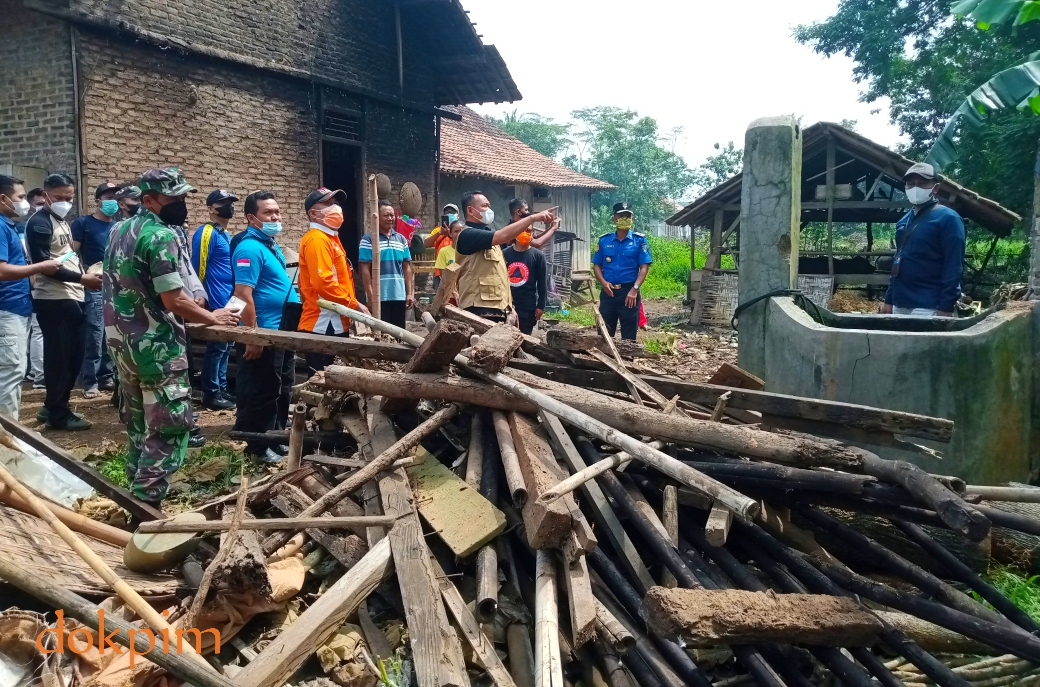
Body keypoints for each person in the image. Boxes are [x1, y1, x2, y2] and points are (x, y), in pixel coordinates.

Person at [104, 167, 239, 508]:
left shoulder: (119, 230)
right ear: (148, 200)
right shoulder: (161, 235)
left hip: (123, 343)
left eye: (183, 196)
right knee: (169, 425)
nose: (180, 203)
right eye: (173, 198)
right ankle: (146, 505)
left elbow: (137, 281)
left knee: (137, 423)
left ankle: (131, 492)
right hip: (156, 346)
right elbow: (173, 300)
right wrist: (212, 317)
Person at [26, 174, 101, 430]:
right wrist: (83, 279)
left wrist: (86, 274)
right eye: (60, 197)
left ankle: (52, 405)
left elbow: (66, 257)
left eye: (69, 197)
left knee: (73, 355)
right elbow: (45, 266)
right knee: (61, 357)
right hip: (55, 299)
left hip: (72, 295)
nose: (66, 202)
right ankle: (58, 414)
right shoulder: (39, 223)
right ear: (46, 195)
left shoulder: (62, 221)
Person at [232, 191, 297, 463]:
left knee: (282, 386)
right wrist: (253, 335)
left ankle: (276, 437)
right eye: (268, 213)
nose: (276, 217)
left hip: (280, 330)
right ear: (251, 218)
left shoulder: (269, 245)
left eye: (277, 212)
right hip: (263, 330)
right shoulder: (249, 248)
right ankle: (257, 447)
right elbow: (243, 294)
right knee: (262, 388)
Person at [0, 176, 59, 417]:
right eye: (21, 197)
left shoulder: (8, 224)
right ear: (3, 198)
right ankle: (6, 440)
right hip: (7, 309)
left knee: (12, 371)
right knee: (11, 372)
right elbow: (2, 270)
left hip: (16, 308)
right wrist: (40, 267)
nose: (25, 203)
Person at [298, 187, 369, 375]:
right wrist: (354, 305)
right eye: (328, 204)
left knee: (334, 382)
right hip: (322, 324)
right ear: (313, 214)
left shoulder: (331, 239)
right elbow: (323, 283)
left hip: (334, 321)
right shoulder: (317, 240)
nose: (335, 207)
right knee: (322, 383)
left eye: (335, 203)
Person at [455, 191, 555, 323]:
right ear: (470, 210)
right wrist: (532, 218)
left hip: (498, 310)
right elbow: (503, 236)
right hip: (477, 309)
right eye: (485, 206)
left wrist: (510, 307)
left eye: (489, 206)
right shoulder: (467, 235)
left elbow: (500, 277)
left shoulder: (491, 238)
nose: (489, 210)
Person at [881, 162, 966, 317]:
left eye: (922, 183)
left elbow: (954, 266)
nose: (916, 188)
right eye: (911, 184)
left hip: (929, 305)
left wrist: (946, 307)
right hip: (900, 304)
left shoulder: (948, 219)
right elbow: (897, 261)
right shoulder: (903, 221)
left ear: (935, 188)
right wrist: (889, 299)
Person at [191, 189, 238, 410]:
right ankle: (210, 392)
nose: (228, 206)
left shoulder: (225, 235)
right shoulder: (206, 232)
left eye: (230, 202)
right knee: (217, 347)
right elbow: (197, 267)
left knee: (227, 346)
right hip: (217, 298)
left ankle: (221, 387)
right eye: (223, 203)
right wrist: (200, 296)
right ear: (211, 209)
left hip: (231, 299)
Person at [71, 182, 120, 399]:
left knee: (112, 332)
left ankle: (106, 376)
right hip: (95, 285)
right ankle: (89, 381)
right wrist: (81, 276)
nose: (113, 201)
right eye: (108, 196)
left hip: (116, 285)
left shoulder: (119, 226)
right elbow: (71, 254)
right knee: (95, 331)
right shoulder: (84, 223)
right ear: (98, 200)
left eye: (116, 197)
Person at [592, 201, 652, 341]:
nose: (624, 218)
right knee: (604, 334)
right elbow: (597, 266)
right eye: (620, 215)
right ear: (614, 219)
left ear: (632, 219)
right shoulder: (604, 240)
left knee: (629, 336)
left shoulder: (639, 241)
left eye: (627, 216)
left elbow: (644, 267)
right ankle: (604, 362)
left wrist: (635, 289)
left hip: (629, 293)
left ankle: (627, 361)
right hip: (608, 292)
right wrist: (603, 283)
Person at [359, 200, 413, 329]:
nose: (390, 218)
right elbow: (365, 270)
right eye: (386, 215)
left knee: (400, 333)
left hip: (399, 294)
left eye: (392, 215)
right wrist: (371, 296)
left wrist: (409, 293)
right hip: (379, 296)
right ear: (377, 217)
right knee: (382, 334)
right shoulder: (368, 239)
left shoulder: (401, 239)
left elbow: (407, 268)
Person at [17, 189, 46, 389]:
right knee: (37, 331)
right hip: (28, 285)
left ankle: (35, 372)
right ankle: (39, 375)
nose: (41, 206)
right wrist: (33, 276)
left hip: (29, 287)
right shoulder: (21, 227)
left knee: (34, 329)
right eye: (38, 203)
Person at [503, 223, 547, 335]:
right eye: (522, 230)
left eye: (529, 230)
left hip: (527, 307)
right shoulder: (504, 254)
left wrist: (541, 306)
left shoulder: (538, 256)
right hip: (507, 306)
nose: (525, 233)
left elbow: (542, 283)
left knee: (523, 339)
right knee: (504, 335)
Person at [433, 219, 462, 289]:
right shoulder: (444, 251)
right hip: (450, 294)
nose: (459, 234)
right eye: (456, 231)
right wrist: (454, 292)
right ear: (450, 234)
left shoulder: (471, 250)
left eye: (461, 231)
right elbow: (444, 276)